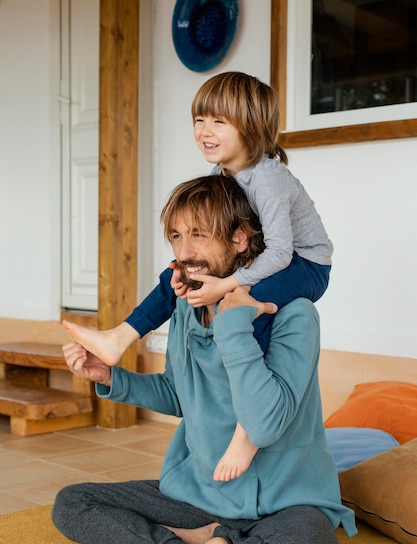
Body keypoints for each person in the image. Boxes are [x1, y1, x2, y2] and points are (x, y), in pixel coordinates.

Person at [53, 174, 357, 544]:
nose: (183, 252)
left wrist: (234, 320)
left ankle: (217, 543)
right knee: (73, 504)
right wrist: (110, 379)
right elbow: (180, 395)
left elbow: (266, 421)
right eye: (176, 236)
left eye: (198, 234)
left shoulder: (296, 314)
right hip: (198, 492)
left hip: (283, 501)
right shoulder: (186, 303)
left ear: (238, 239)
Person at [63, 71, 334, 482]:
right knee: (173, 274)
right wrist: (185, 277)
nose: (205, 131)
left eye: (218, 122)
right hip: (265, 259)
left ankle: (247, 432)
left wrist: (229, 285)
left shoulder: (269, 179)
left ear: (252, 126)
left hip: (304, 264)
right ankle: (119, 336)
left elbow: (279, 251)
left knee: (244, 305)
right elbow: (212, 237)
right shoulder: (224, 177)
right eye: (199, 119)